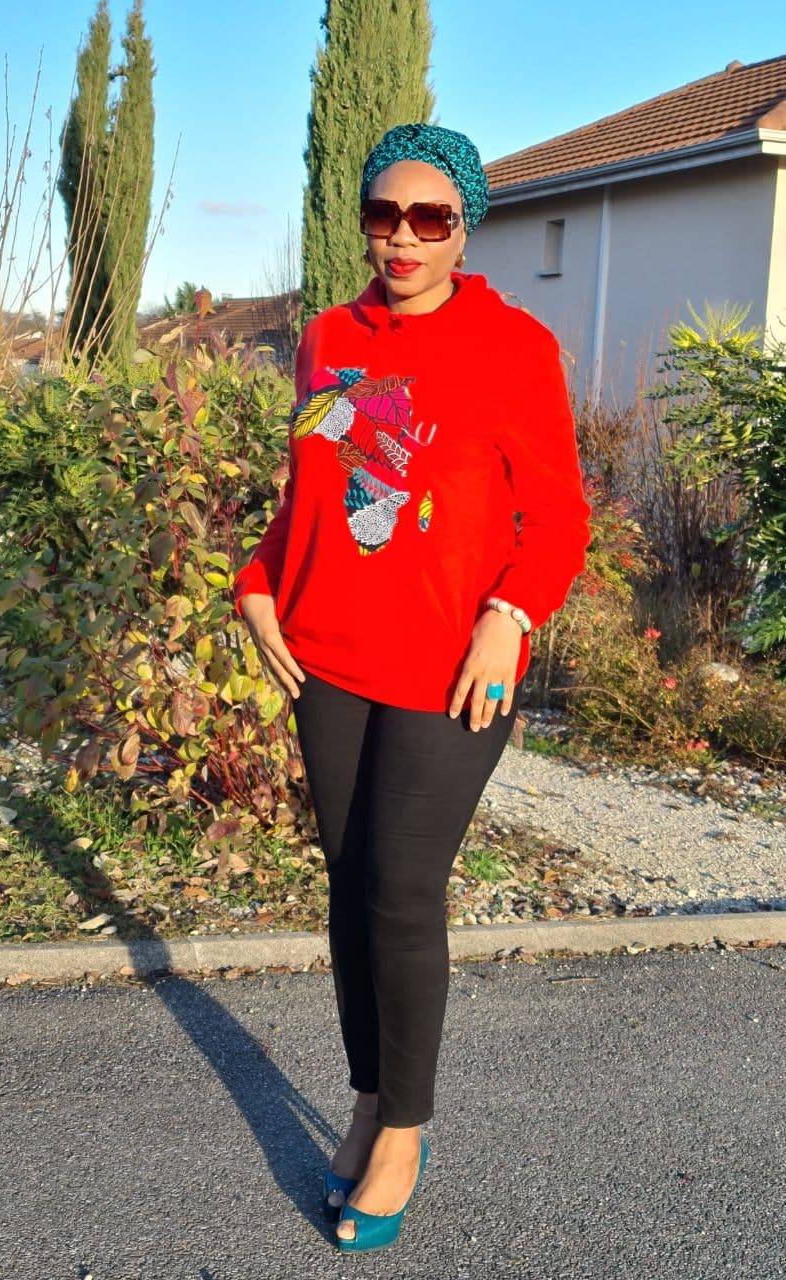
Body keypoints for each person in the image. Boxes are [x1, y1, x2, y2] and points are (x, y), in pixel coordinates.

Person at [232, 121, 592, 1254]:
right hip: (326, 656)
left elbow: (558, 521)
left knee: (400, 889)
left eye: (428, 217)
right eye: (382, 214)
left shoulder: (513, 345)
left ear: (463, 228)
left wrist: (508, 616)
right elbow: (308, 495)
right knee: (350, 889)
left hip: (450, 669)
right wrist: (254, 585)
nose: (402, 237)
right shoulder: (327, 339)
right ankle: (367, 1096)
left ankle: (405, 1128)